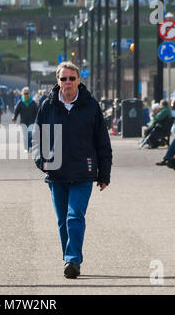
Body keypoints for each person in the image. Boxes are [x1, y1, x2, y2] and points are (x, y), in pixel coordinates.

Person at [31, 61, 112, 279]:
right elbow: (37, 138)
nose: (68, 82)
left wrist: (104, 174)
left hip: (82, 171)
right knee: (62, 220)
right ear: (57, 81)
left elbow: (102, 142)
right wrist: (40, 160)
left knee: (74, 215)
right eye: (63, 78)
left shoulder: (91, 105)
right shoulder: (47, 105)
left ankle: (73, 260)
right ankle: (68, 256)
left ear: (78, 80)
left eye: (72, 78)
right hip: (56, 173)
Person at [12, 86, 38, 152]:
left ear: (29, 94)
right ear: (22, 94)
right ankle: (26, 148)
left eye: (27, 93)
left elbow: (37, 112)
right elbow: (16, 111)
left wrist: (38, 120)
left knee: (30, 134)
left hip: (32, 121)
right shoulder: (20, 102)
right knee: (25, 136)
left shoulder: (33, 102)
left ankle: (30, 147)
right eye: (25, 93)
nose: (26, 95)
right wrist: (14, 118)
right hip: (23, 121)